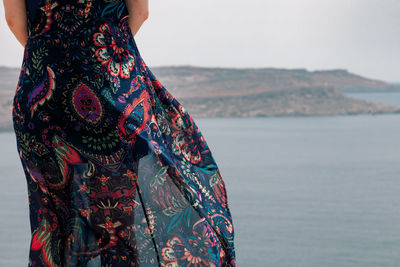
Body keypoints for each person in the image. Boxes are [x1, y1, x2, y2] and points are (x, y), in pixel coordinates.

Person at [4, 0, 236, 266]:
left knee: (55, 213)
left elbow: (14, 21)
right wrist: (98, 54)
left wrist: (56, 61)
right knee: (121, 213)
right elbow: (141, 13)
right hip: (115, 88)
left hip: (44, 96)